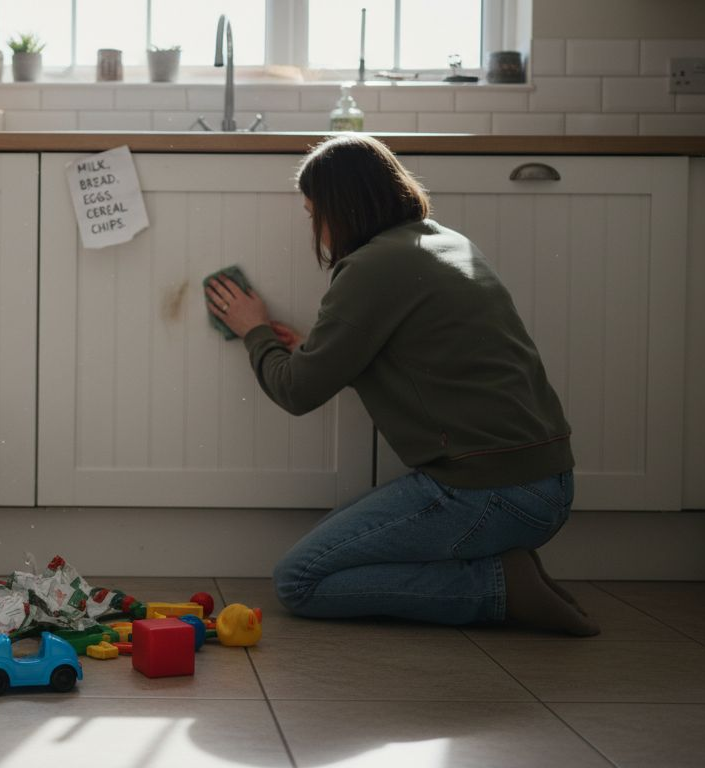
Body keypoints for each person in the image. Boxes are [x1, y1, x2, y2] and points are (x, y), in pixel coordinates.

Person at [205, 134, 598, 636]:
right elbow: (424, 361)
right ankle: (508, 568)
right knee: (330, 555)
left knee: (298, 581)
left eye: (312, 213)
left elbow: (296, 393)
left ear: (340, 209)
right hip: (547, 482)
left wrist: (253, 329)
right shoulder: (443, 241)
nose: (316, 229)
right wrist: (320, 347)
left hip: (490, 492)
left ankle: (498, 587)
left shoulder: (370, 268)